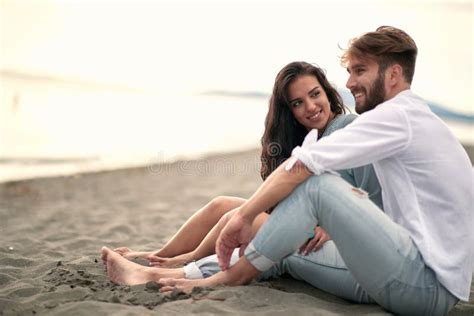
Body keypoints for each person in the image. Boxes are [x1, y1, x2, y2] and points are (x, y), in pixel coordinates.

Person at [150, 26, 472, 316]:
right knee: (286, 217)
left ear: (393, 74)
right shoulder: (413, 118)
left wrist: (244, 216)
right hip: (426, 278)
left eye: (360, 70)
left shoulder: (395, 117)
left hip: (423, 285)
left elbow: (302, 168)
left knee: (312, 194)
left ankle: (223, 276)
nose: (348, 82)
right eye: (348, 71)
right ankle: (182, 266)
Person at [101, 61, 383, 289]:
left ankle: (178, 264)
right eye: (297, 103)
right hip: (308, 226)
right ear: (289, 112)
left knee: (239, 218)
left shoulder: (345, 127)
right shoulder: (310, 139)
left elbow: (374, 190)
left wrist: (333, 227)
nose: (309, 107)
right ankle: (159, 257)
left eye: (314, 94)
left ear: (327, 92)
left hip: (338, 241)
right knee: (222, 205)